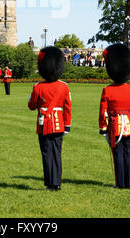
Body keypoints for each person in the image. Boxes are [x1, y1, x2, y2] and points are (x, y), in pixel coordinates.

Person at [99, 43, 130, 189]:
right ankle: (129, 182)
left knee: (118, 154)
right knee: (128, 154)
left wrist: (103, 127)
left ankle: (120, 183)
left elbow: (103, 112)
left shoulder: (107, 90)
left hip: (115, 126)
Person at [28, 46, 72, 191]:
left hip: (44, 123)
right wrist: (67, 126)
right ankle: (57, 183)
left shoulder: (38, 87)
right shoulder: (64, 86)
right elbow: (67, 108)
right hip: (59, 124)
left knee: (46, 154)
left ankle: (49, 183)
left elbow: (32, 106)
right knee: (57, 153)